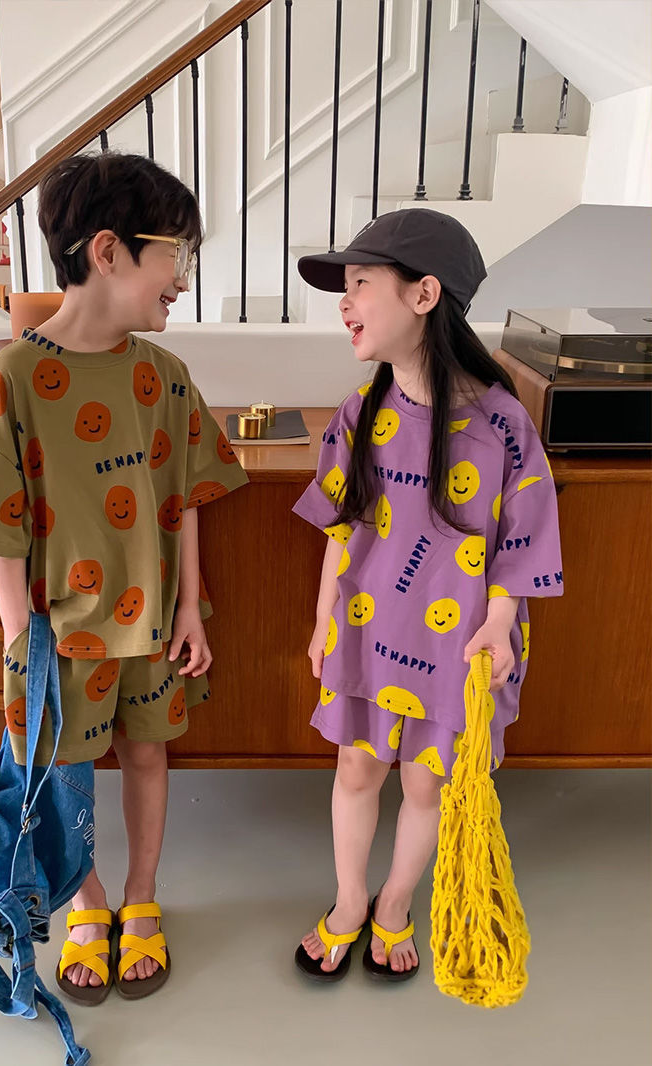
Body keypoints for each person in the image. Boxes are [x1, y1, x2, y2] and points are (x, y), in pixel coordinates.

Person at [0, 151, 248, 1004]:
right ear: (108, 251)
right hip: (55, 635)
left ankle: (141, 895)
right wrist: (17, 642)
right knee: (63, 774)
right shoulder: (13, 381)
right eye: (175, 253)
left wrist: (191, 606)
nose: (183, 278)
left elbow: (186, 493)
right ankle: (86, 900)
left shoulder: (162, 376)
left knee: (147, 753)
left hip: (152, 626)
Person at [291, 209, 562, 982]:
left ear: (423, 294)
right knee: (356, 769)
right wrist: (322, 619)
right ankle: (350, 901)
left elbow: (523, 540)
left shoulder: (504, 424)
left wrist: (501, 624)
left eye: (360, 284)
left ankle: (395, 902)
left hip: (459, 644)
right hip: (368, 631)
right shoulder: (361, 412)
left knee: (425, 782)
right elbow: (341, 530)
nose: (344, 303)